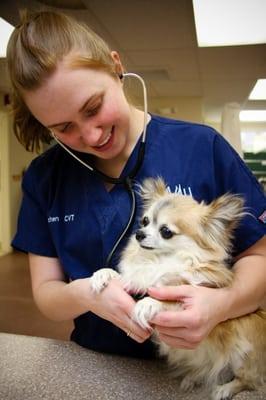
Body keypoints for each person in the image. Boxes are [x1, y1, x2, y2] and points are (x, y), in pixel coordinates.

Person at [7, 10, 266, 358]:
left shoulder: (201, 148)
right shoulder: (45, 177)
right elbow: (47, 293)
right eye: (63, 128)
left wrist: (223, 303)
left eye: (93, 107)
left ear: (116, 67)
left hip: (204, 362)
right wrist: (87, 294)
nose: (90, 135)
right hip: (96, 361)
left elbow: (259, 254)